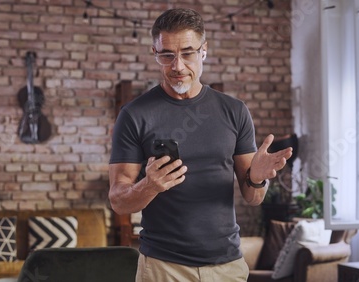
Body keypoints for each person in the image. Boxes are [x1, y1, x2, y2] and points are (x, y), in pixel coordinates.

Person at [109, 8, 292, 282]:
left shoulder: (235, 111)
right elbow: (118, 201)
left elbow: (253, 198)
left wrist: (256, 178)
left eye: (187, 53)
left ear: (204, 51)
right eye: (167, 55)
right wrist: (150, 186)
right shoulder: (135, 114)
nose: (178, 66)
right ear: (155, 53)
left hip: (226, 266)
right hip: (163, 267)